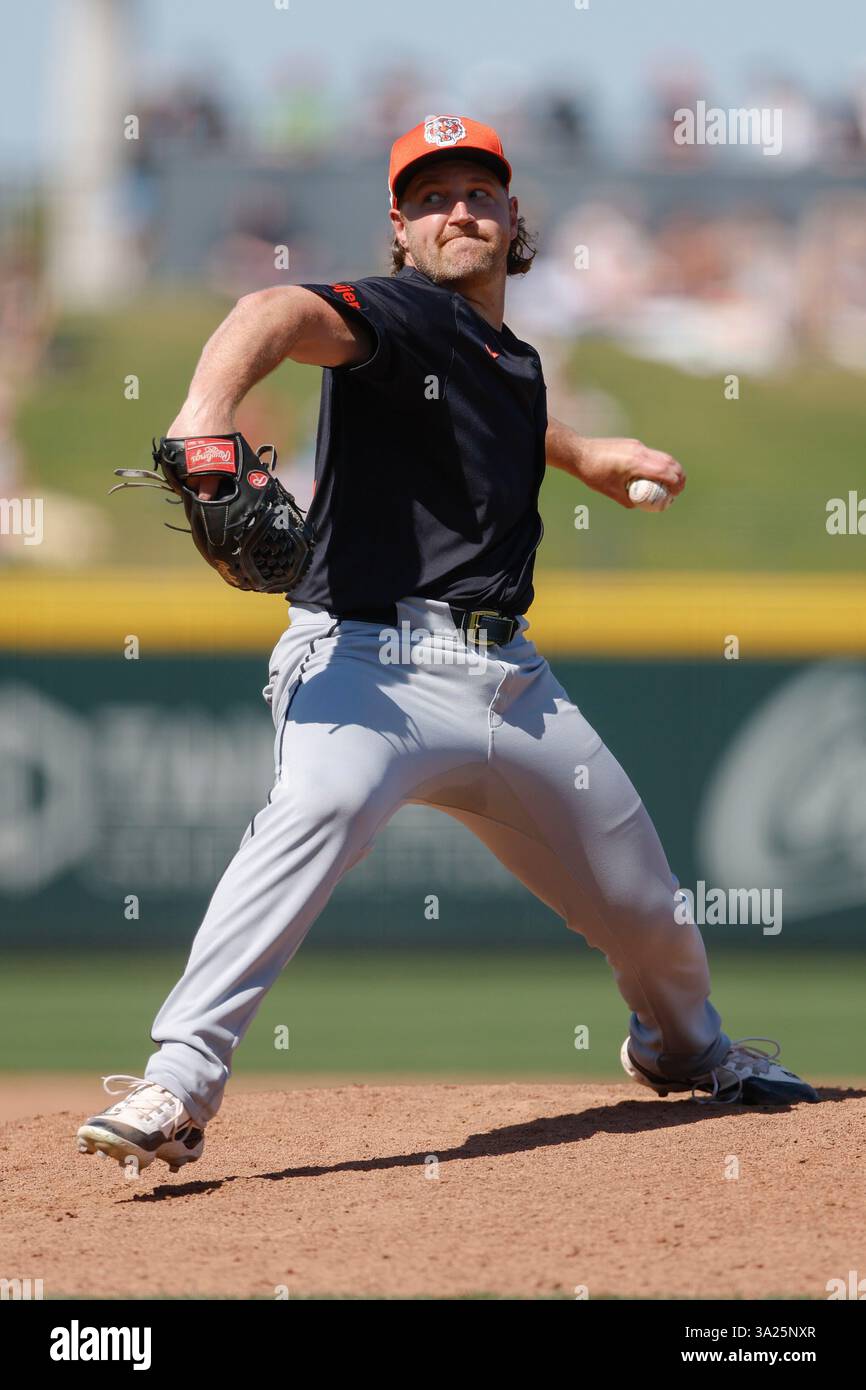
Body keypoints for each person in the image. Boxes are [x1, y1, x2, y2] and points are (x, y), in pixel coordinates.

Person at [76, 115, 817, 1178]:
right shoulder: (398, 317)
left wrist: (582, 453)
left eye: (477, 192)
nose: (457, 210)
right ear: (399, 230)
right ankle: (177, 1082)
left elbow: (497, 410)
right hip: (366, 668)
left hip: (510, 689)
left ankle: (682, 1052)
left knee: (648, 912)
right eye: (430, 198)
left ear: (514, 218)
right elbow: (273, 308)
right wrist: (203, 409)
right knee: (314, 811)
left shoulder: (506, 359)